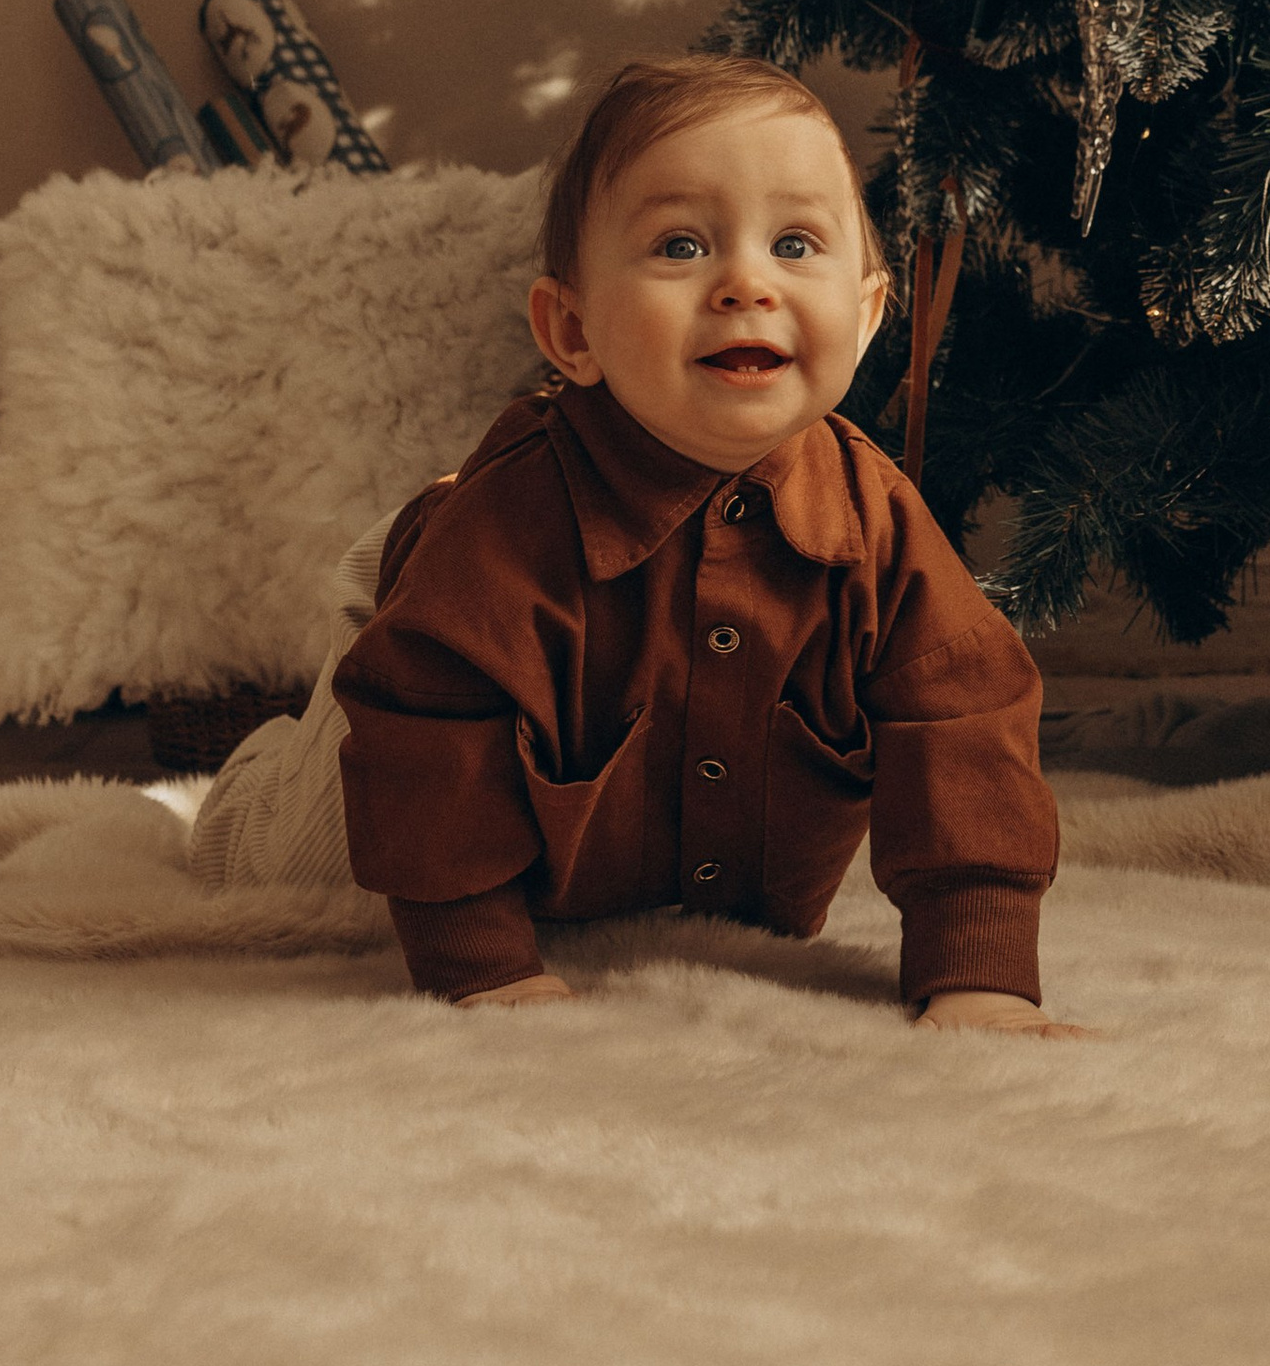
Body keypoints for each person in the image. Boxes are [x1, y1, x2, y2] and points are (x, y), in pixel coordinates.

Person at [191, 55, 1072, 1034]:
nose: (746, 284)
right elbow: (429, 744)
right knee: (303, 867)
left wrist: (979, 976)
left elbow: (965, 729)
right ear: (573, 332)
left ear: (865, 319)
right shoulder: (509, 531)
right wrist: (483, 969)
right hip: (420, 630)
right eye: (681, 246)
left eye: (794, 243)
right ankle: (246, 777)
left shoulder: (878, 528)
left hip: (645, 852)